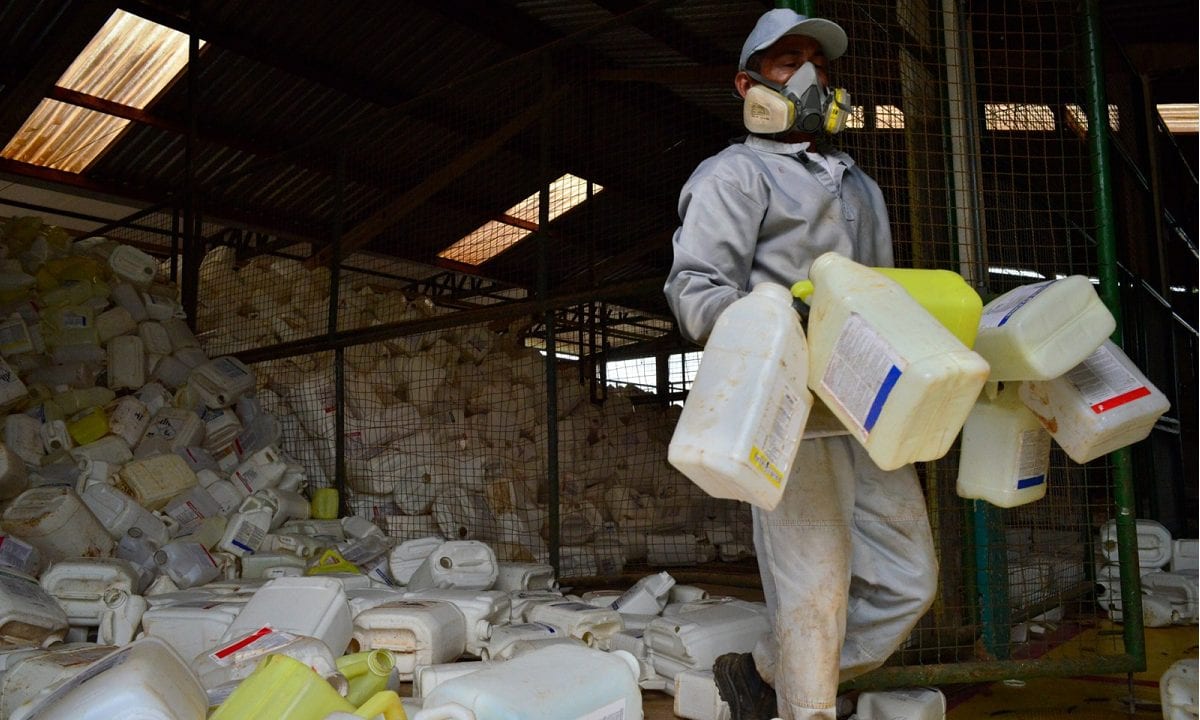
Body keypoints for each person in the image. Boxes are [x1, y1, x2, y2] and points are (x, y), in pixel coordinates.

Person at [663, 9, 939, 720]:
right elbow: (696, 292)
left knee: (909, 582)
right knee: (815, 591)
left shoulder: (858, 185)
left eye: (818, 61)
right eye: (788, 62)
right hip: (789, 417)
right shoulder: (735, 175)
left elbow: (879, 297)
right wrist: (777, 321)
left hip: (867, 412)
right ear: (747, 83)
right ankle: (804, 706)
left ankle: (763, 673)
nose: (809, 75)